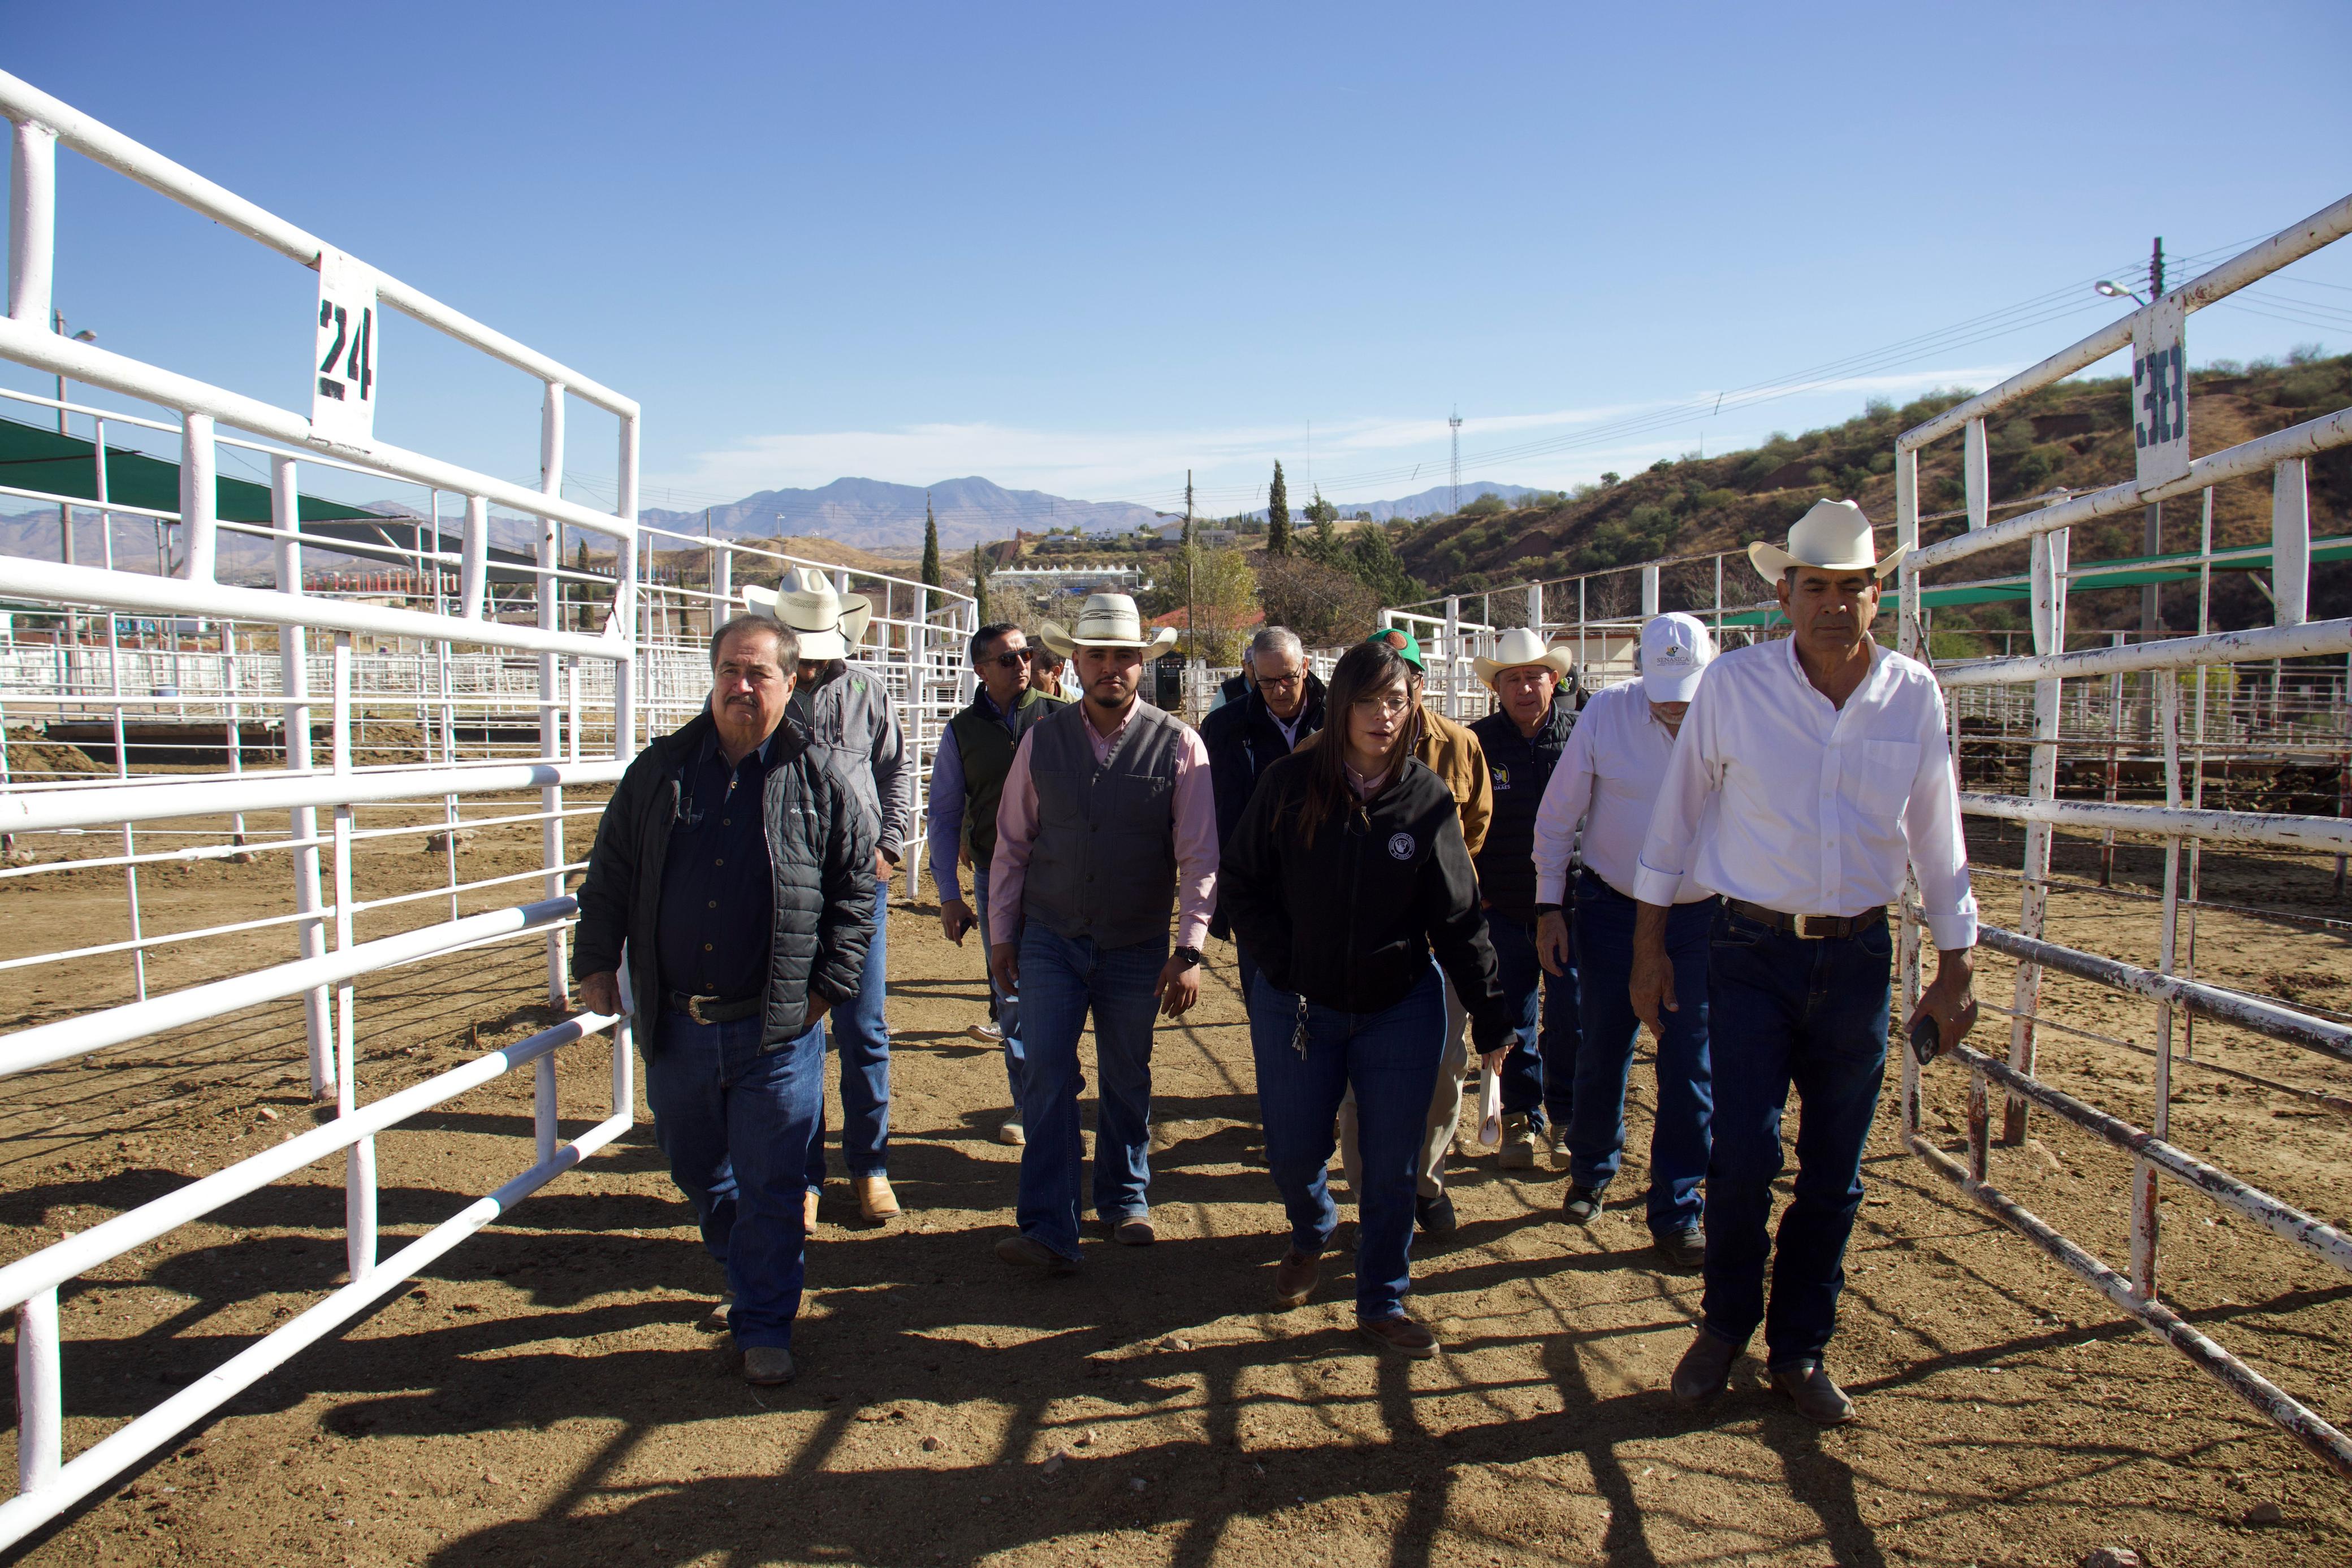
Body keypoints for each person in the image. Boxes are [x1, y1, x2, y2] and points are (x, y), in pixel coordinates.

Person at [1632, 500, 1980, 1425]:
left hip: (1858, 953)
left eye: (1852, 587)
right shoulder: (1735, 687)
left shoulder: (1912, 694)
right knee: (1743, 1154)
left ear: (1878, 595)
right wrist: (1648, 947)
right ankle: (1725, 1323)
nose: (1834, 603)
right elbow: (1674, 817)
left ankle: (1800, 1346)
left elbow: (1938, 832)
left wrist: (1957, 964)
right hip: (1750, 948)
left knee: (1835, 1166)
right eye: (1816, 585)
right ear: (1785, 593)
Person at [572, 614, 876, 1387]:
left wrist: (826, 990)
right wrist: (596, 961)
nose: (743, 686)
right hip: (678, 1020)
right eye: (730, 672)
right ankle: (744, 1263)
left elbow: (854, 897)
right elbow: (611, 871)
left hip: (776, 1026)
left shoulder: (822, 780)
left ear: (789, 681)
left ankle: (765, 1320)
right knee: (695, 1162)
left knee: (773, 1179)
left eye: (759, 673)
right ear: (713, 679)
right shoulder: (660, 772)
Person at [1222, 638, 1511, 1357]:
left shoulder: (1425, 796)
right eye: (1368, 700)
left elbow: (1458, 915)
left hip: (1399, 1004)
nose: (1383, 715)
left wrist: (1490, 1011)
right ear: (1341, 704)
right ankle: (1311, 1225)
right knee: (1293, 1151)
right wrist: (1285, 963)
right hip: (1298, 1004)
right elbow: (1243, 881)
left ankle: (1382, 1298)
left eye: (1396, 701)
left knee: (1391, 1163)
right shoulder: (1289, 784)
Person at [987, 593, 1219, 1273]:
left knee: (1126, 1072)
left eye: (1123, 656)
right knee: (1047, 1074)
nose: (1110, 667)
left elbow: (1199, 855)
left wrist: (1189, 947)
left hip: (1135, 939)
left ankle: (1123, 1196)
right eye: (1097, 655)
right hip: (1050, 934)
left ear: (1141, 665)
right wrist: (1002, 933)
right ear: (1075, 661)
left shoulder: (1180, 744)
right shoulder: (1040, 740)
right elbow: (1012, 843)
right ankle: (1048, 1226)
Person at [1533, 612, 1718, 1270]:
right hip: (1613, 905)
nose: (1674, 704)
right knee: (1602, 1042)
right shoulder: (1607, 714)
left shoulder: (1729, 715)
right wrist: (1549, 904)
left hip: (1698, 915)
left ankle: (1677, 1205)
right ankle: (1590, 1167)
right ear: (1641, 673)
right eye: (1663, 690)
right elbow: (1558, 813)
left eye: (1685, 690)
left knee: (1689, 1059)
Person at [746, 568, 914, 1225]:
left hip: (856, 885)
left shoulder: (867, 691)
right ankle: (803, 1173)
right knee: (795, 1029)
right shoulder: (761, 693)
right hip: (782, 885)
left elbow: (894, 769)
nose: (811, 664)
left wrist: (889, 844)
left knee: (862, 1027)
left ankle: (869, 1165)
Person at [1337, 627, 1494, 1236]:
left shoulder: (1461, 745)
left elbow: (1474, 827)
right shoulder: (1328, 753)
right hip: (1365, 942)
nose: (1386, 704)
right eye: (1371, 690)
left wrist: (1432, 885)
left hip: (1439, 938)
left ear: (1419, 685)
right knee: (1360, 1078)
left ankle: (1425, 1181)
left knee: (1445, 1068)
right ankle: (1371, 1192)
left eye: (1402, 683)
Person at [927, 621, 1065, 1146]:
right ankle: (1030, 1106)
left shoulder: (1062, 717)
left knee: (1064, 990)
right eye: (1008, 659)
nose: (1023, 665)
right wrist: (948, 895)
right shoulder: (962, 732)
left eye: (1026, 654)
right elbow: (943, 814)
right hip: (994, 878)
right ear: (981, 670)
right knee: (1009, 992)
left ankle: (1058, 1099)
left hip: (1061, 876)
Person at [1466, 628, 1581, 1171]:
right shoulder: (1478, 744)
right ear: (1498, 689)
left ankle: (1566, 1114)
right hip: (1505, 907)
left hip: (1572, 905)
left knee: (1572, 1015)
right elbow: (1463, 820)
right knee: (1512, 1016)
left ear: (1554, 680)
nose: (1525, 689)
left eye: (1534, 677)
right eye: (1512, 680)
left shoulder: (1581, 736)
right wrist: (1479, 892)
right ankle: (1519, 1113)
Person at [1200, 626, 1328, 994]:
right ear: (1252, 673)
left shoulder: (1340, 720)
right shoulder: (1223, 729)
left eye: (1288, 678)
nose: (1279, 691)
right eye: (1267, 681)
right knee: (1265, 994)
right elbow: (1208, 809)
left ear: (1305, 666)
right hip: (1257, 891)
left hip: (1329, 883)